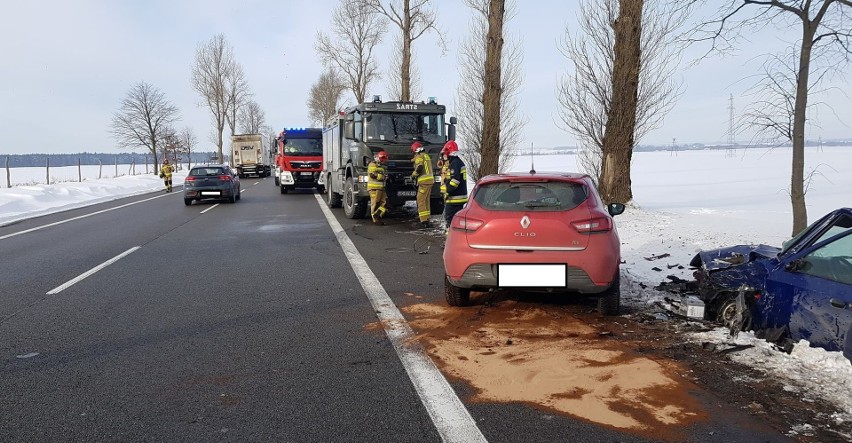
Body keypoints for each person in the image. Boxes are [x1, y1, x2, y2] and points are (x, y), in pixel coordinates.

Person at [441, 140, 468, 231]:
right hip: (458, 197)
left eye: (445, 153)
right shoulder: (457, 162)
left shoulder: (454, 164)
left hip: (454, 198)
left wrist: (448, 192)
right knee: (454, 220)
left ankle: (449, 241)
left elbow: (455, 181)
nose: (444, 156)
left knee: (450, 221)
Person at [410, 141, 434, 227]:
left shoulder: (419, 156)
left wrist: (413, 175)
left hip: (424, 182)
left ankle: (423, 221)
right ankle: (427, 219)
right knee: (426, 200)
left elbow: (419, 167)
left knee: (420, 200)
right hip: (429, 181)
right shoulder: (426, 155)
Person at [367, 150, 389, 225]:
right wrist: (383, 177)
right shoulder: (372, 164)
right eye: (384, 159)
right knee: (375, 203)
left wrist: (385, 177)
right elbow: (372, 175)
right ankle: (376, 219)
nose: (384, 161)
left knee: (385, 203)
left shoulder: (380, 166)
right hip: (374, 189)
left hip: (380, 188)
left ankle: (377, 215)